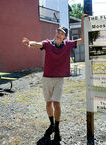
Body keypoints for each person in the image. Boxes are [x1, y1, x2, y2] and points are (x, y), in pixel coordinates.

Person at [22, 14, 87, 145]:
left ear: (65, 36)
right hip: (47, 78)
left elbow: (82, 40)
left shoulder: (68, 45)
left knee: (56, 103)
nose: (58, 34)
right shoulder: (47, 43)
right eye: (58, 32)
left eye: (61, 33)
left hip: (59, 79)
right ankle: (51, 124)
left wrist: (82, 21)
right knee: (48, 103)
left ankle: (57, 129)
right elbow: (37, 44)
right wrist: (29, 43)